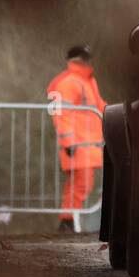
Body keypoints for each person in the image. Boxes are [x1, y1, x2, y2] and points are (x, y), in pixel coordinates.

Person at [46, 45, 107, 232]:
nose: (86, 61)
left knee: (79, 184)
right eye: (83, 57)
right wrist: (68, 142)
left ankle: (68, 220)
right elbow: (61, 115)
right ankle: (68, 220)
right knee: (82, 183)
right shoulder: (69, 82)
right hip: (77, 144)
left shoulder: (87, 80)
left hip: (86, 143)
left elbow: (100, 105)